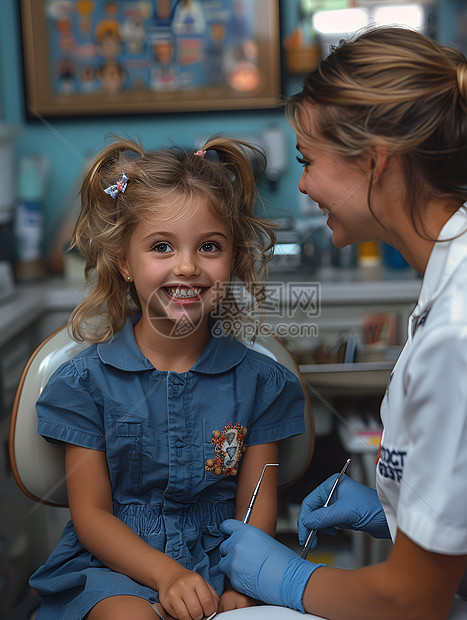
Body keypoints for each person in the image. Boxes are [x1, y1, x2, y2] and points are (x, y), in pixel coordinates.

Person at [219, 26, 467, 619]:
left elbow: (409, 602)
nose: (302, 184)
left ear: (375, 162)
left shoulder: (455, 335)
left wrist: (288, 578)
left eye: (310, 162)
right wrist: (398, 511)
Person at [29, 136, 306, 620]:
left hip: (226, 562)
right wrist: (166, 575)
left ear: (234, 258)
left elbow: (254, 511)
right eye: (161, 246)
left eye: (210, 246)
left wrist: (246, 582)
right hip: (112, 568)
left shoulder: (263, 384)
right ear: (123, 261)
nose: (187, 266)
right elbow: (91, 515)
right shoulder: (84, 386)